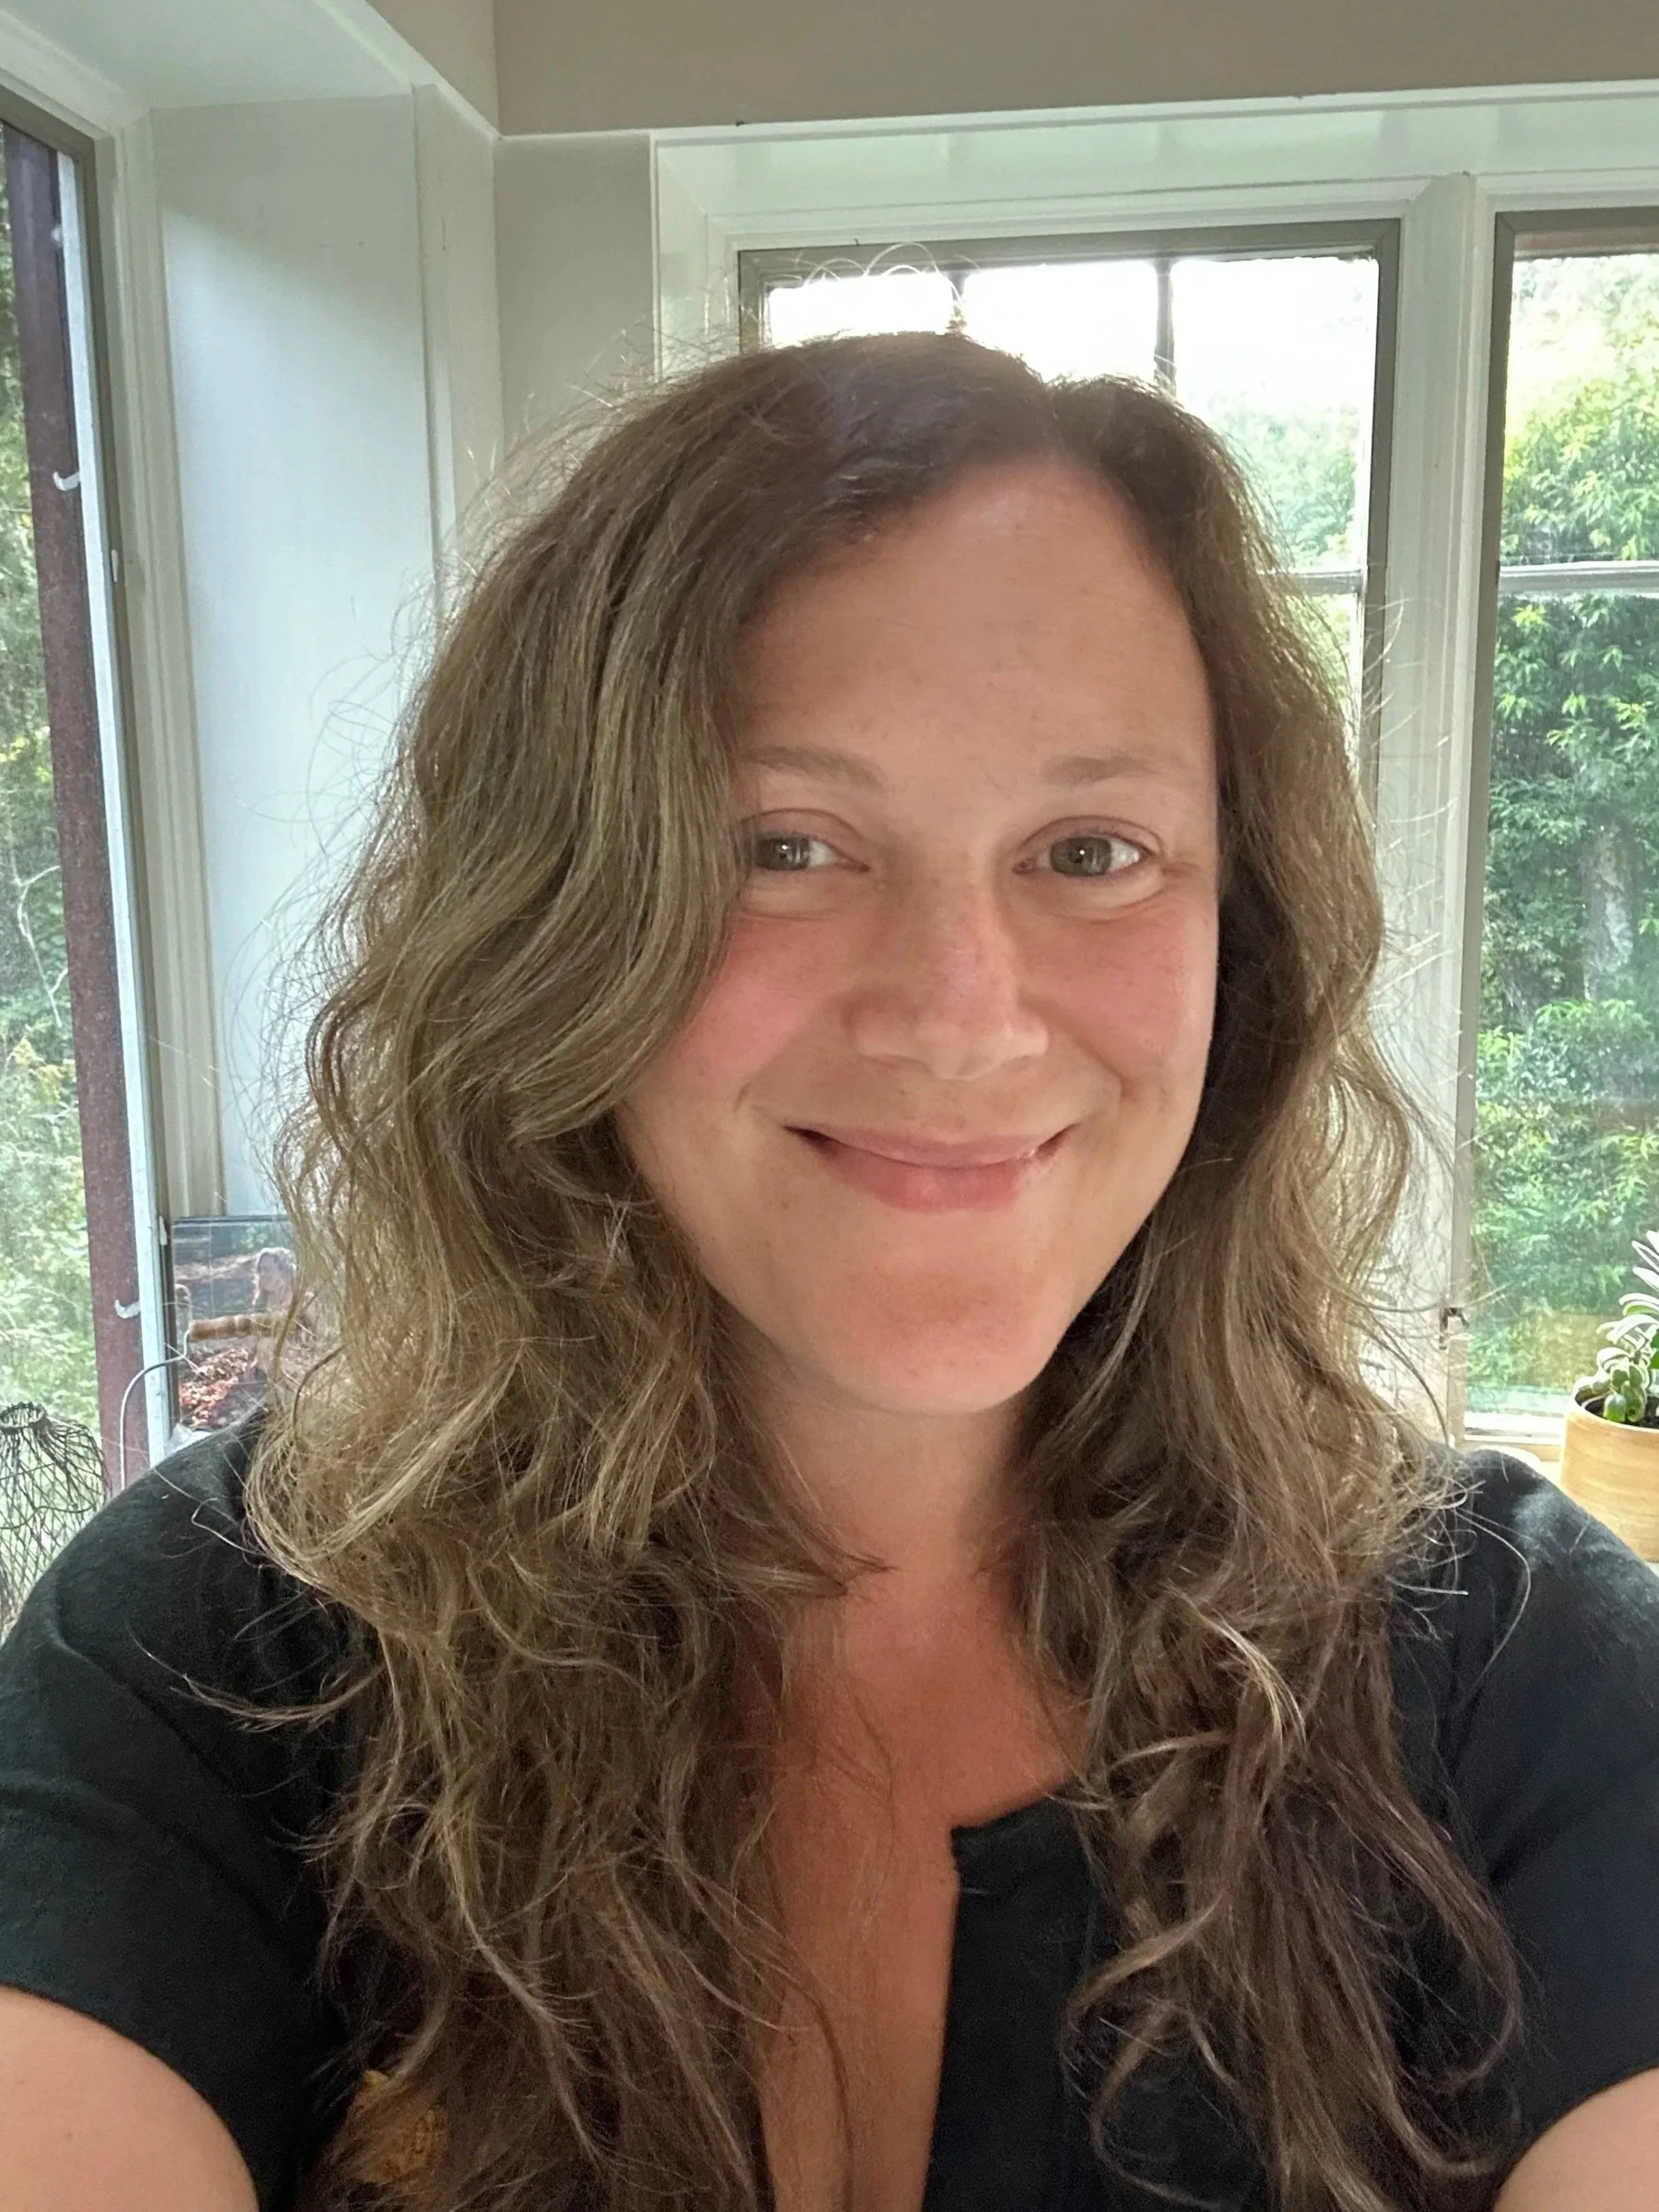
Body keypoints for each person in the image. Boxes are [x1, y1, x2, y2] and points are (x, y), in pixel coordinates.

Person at [0, 332, 1656, 2212]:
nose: (961, 1017)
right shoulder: (218, 1656)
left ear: (1241, 938)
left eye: (1091, 850)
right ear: (557, 923)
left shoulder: (1525, 1681)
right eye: (785, 845)